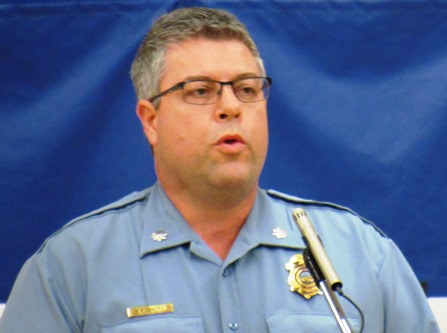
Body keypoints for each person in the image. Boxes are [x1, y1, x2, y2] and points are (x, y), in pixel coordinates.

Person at [0, 7, 439, 333]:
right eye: (201, 91)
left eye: (247, 89)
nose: (231, 107)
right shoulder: (70, 269)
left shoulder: (362, 255)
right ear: (150, 120)